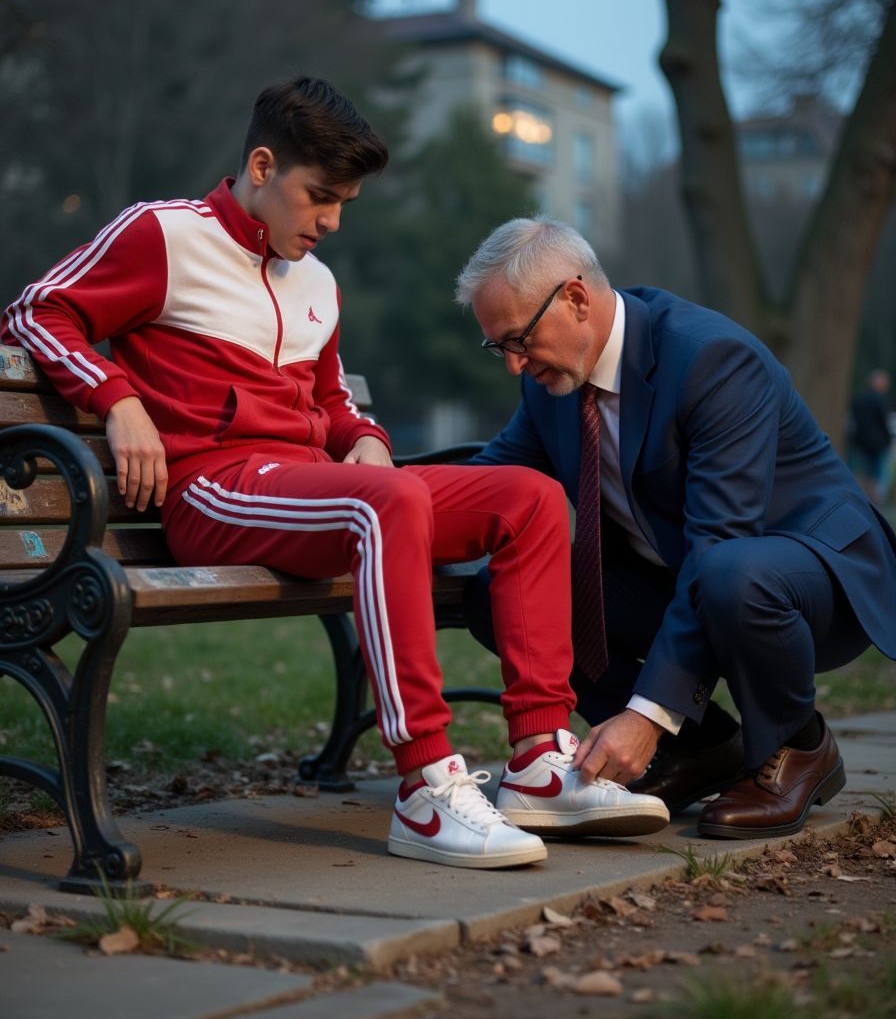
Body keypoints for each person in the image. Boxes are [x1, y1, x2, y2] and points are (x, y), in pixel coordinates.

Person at [1, 78, 669, 870]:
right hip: (215, 492)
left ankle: (536, 762)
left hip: (318, 493)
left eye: (344, 202)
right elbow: (35, 310)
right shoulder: (163, 236)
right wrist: (118, 399)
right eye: (320, 197)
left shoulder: (316, 282)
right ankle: (425, 790)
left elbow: (330, 399)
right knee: (382, 505)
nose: (331, 222)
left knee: (529, 498)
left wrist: (368, 436)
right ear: (260, 166)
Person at [454, 215, 896, 840]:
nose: (514, 366)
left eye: (519, 339)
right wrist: (375, 499)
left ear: (576, 298)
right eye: (500, 347)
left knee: (728, 573)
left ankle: (801, 746)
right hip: (689, 571)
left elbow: (721, 539)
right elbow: (488, 481)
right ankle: (702, 748)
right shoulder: (550, 386)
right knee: (498, 591)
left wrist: (646, 714)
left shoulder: (710, 357)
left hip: (813, 572)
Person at [850, 369, 892, 506]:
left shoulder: (859, 399)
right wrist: (887, 440)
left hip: (859, 441)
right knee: (874, 476)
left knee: (856, 472)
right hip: (877, 444)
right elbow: (884, 423)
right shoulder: (881, 401)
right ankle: (873, 504)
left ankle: (855, 499)